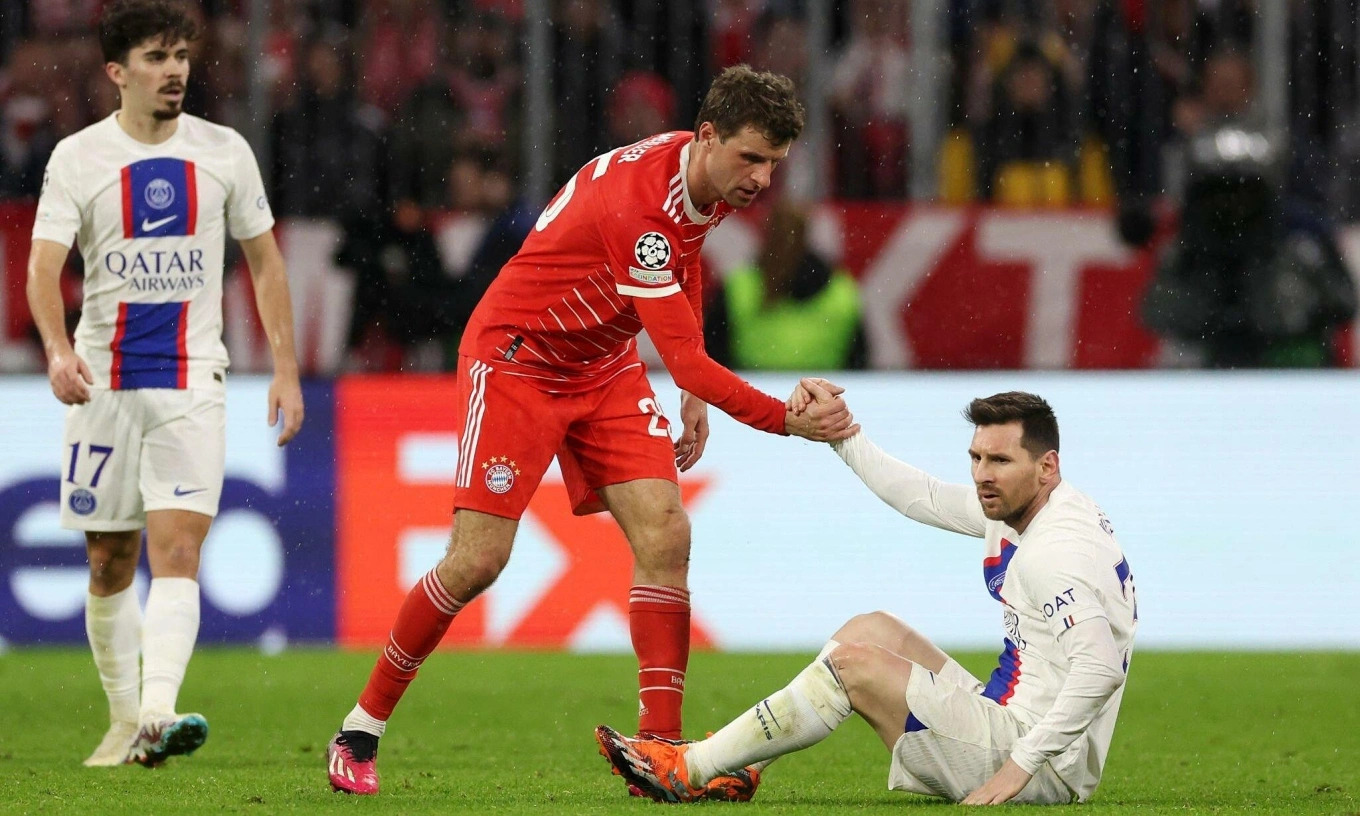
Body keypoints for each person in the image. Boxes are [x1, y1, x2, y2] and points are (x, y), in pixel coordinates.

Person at [325, 65, 858, 797]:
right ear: (709, 137)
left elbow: (688, 257)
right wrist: (783, 419)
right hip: (519, 359)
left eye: (774, 163)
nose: (763, 179)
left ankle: (664, 754)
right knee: (478, 560)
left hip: (601, 363)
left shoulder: (697, 172)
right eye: (752, 158)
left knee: (667, 533)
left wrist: (693, 391)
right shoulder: (639, 207)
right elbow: (681, 343)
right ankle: (360, 728)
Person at [597, 387, 1138, 805]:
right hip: (1008, 717)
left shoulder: (1057, 552)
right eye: (975, 458)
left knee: (853, 666)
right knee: (869, 631)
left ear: (1048, 466)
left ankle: (686, 771)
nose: (980, 476)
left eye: (998, 461)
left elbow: (1100, 669)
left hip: (1036, 761)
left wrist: (1020, 765)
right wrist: (841, 434)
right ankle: (738, 768)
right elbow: (921, 496)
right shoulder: (1032, 507)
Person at [25, 0, 304, 769]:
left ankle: (156, 715)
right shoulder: (78, 158)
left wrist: (284, 368)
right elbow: (43, 270)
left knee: (177, 550)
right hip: (103, 385)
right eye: (155, 56)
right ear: (117, 72)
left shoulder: (224, 151)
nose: (174, 69)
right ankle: (122, 718)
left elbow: (266, 262)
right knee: (110, 561)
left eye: (180, 54)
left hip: (193, 382)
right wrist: (56, 351)